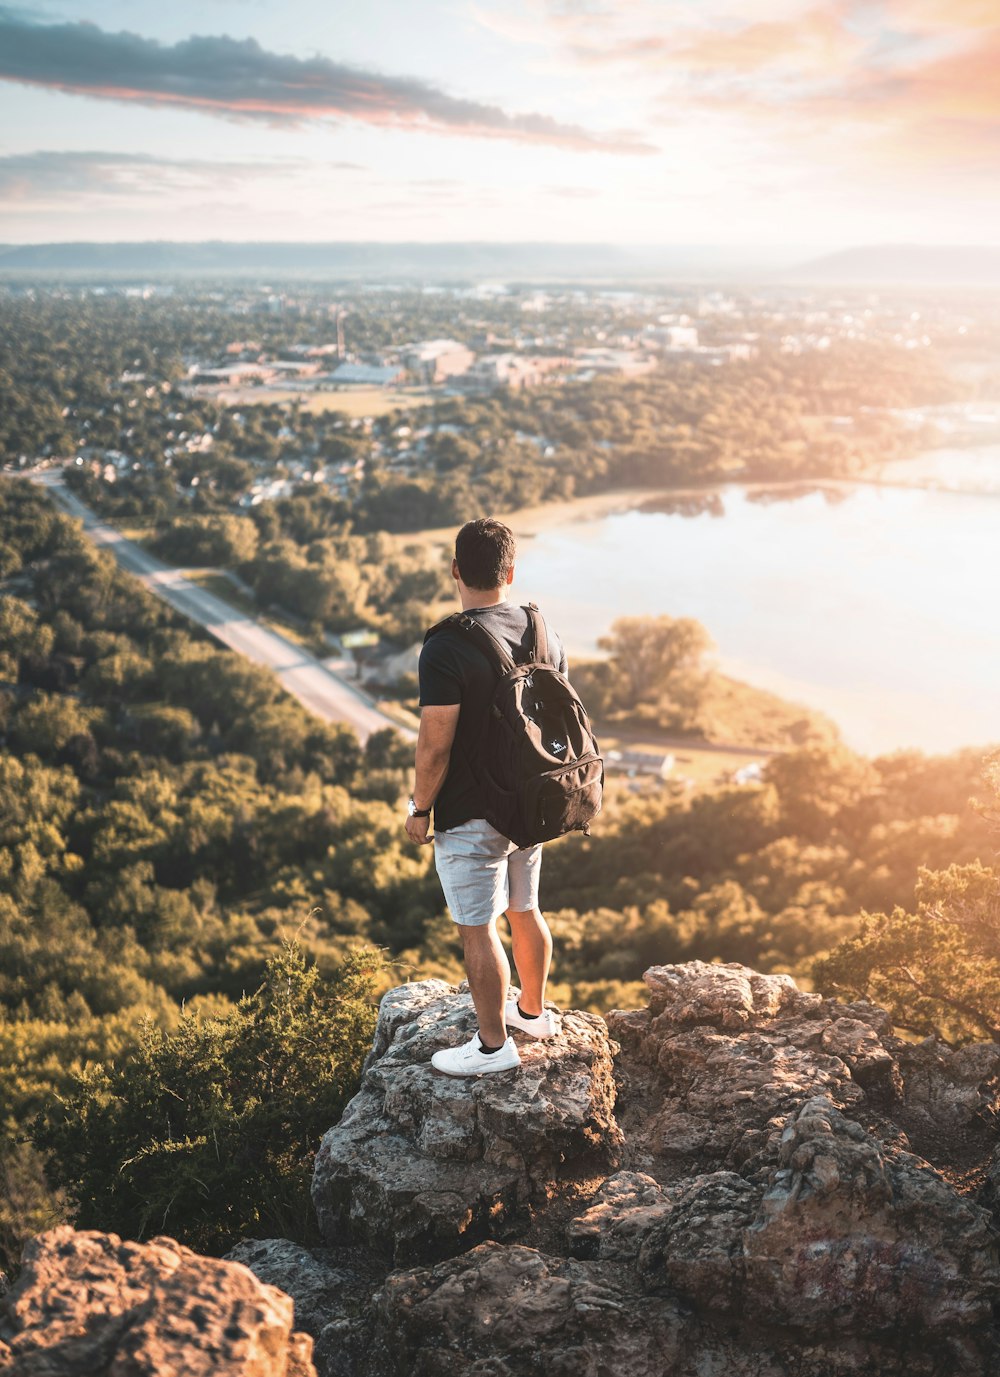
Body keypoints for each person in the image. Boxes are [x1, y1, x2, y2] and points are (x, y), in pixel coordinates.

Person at [405, 517, 566, 1076]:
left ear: (455, 570)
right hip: (531, 802)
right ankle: (533, 1013)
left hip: (473, 812)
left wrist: (419, 809)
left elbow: (434, 746)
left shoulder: (446, 646)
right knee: (525, 908)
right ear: (511, 571)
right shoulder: (540, 629)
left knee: (478, 928)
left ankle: (494, 1048)